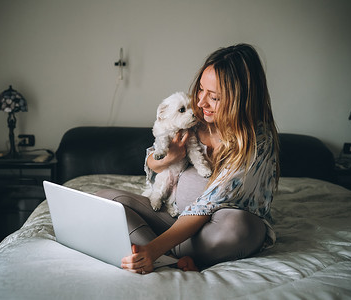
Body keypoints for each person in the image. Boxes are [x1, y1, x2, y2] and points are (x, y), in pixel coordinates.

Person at [96, 43, 279, 274]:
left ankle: (156, 251)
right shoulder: (194, 119)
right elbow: (152, 163)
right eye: (201, 89)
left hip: (216, 229)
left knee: (237, 227)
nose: (201, 102)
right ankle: (173, 259)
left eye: (214, 97)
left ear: (240, 100)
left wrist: (152, 249)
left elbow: (210, 203)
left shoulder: (256, 140)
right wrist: (168, 157)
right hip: (174, 218)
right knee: (104, 200)